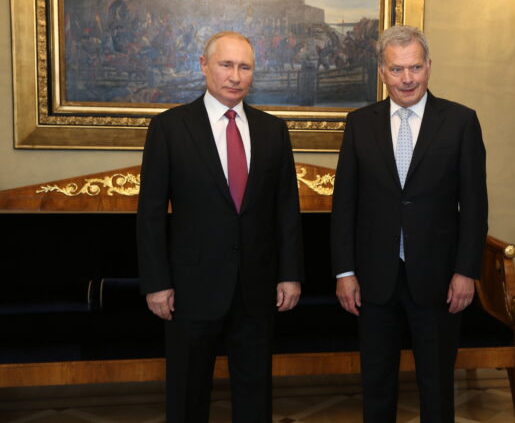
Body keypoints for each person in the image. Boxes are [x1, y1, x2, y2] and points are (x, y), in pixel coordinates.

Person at [137, 31, 303, 422]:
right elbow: (150, 213)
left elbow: (286, 210)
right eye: (226, 65)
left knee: (255, 393)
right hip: (191, 289)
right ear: (203, 66)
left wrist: (290, 274)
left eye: (244, 67)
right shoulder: (170, 128)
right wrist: (156, 283)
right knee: (187, 394)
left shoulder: (273, 131)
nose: (235, 75)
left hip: (257, 288)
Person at [331, 24, 488, 422]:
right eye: (397, 70)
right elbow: (344, 205)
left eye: (415, 68)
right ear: (382, 72)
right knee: (377, 382)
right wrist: (345, 272)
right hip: (373, 279)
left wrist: (466, 272)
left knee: (436, 385)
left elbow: (474, 206)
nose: (407, 79)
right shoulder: (359, 123)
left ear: (429, 67)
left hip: (438, 280)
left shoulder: (460, 121)